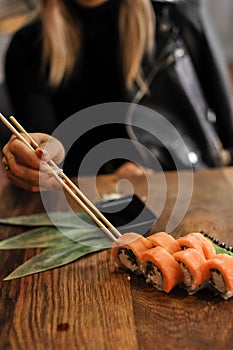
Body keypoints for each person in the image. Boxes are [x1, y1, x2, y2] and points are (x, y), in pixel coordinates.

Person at [1, 0, 233, 191]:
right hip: (92, 204)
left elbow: (225, 118)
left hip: (189, 187)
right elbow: (44, 137)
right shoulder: (28, 44)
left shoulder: (175, 14)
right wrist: (38, 157)